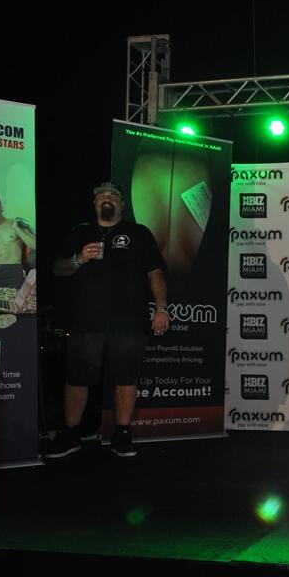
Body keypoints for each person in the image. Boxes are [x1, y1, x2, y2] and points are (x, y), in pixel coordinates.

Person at [46, 181, 168, 459]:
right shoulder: (80, 232)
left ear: (122, 203)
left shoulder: (139, 233)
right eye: (101, 195)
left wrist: (162, 308)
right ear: (95, 203)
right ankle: (70, 434)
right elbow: (58, 268)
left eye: (113, 194)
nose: (106, 197)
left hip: (129, 322)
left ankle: (122, 434)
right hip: (86, 321)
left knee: (125, 379)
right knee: (77, 379)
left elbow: (156, 273)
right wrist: (79, 259)